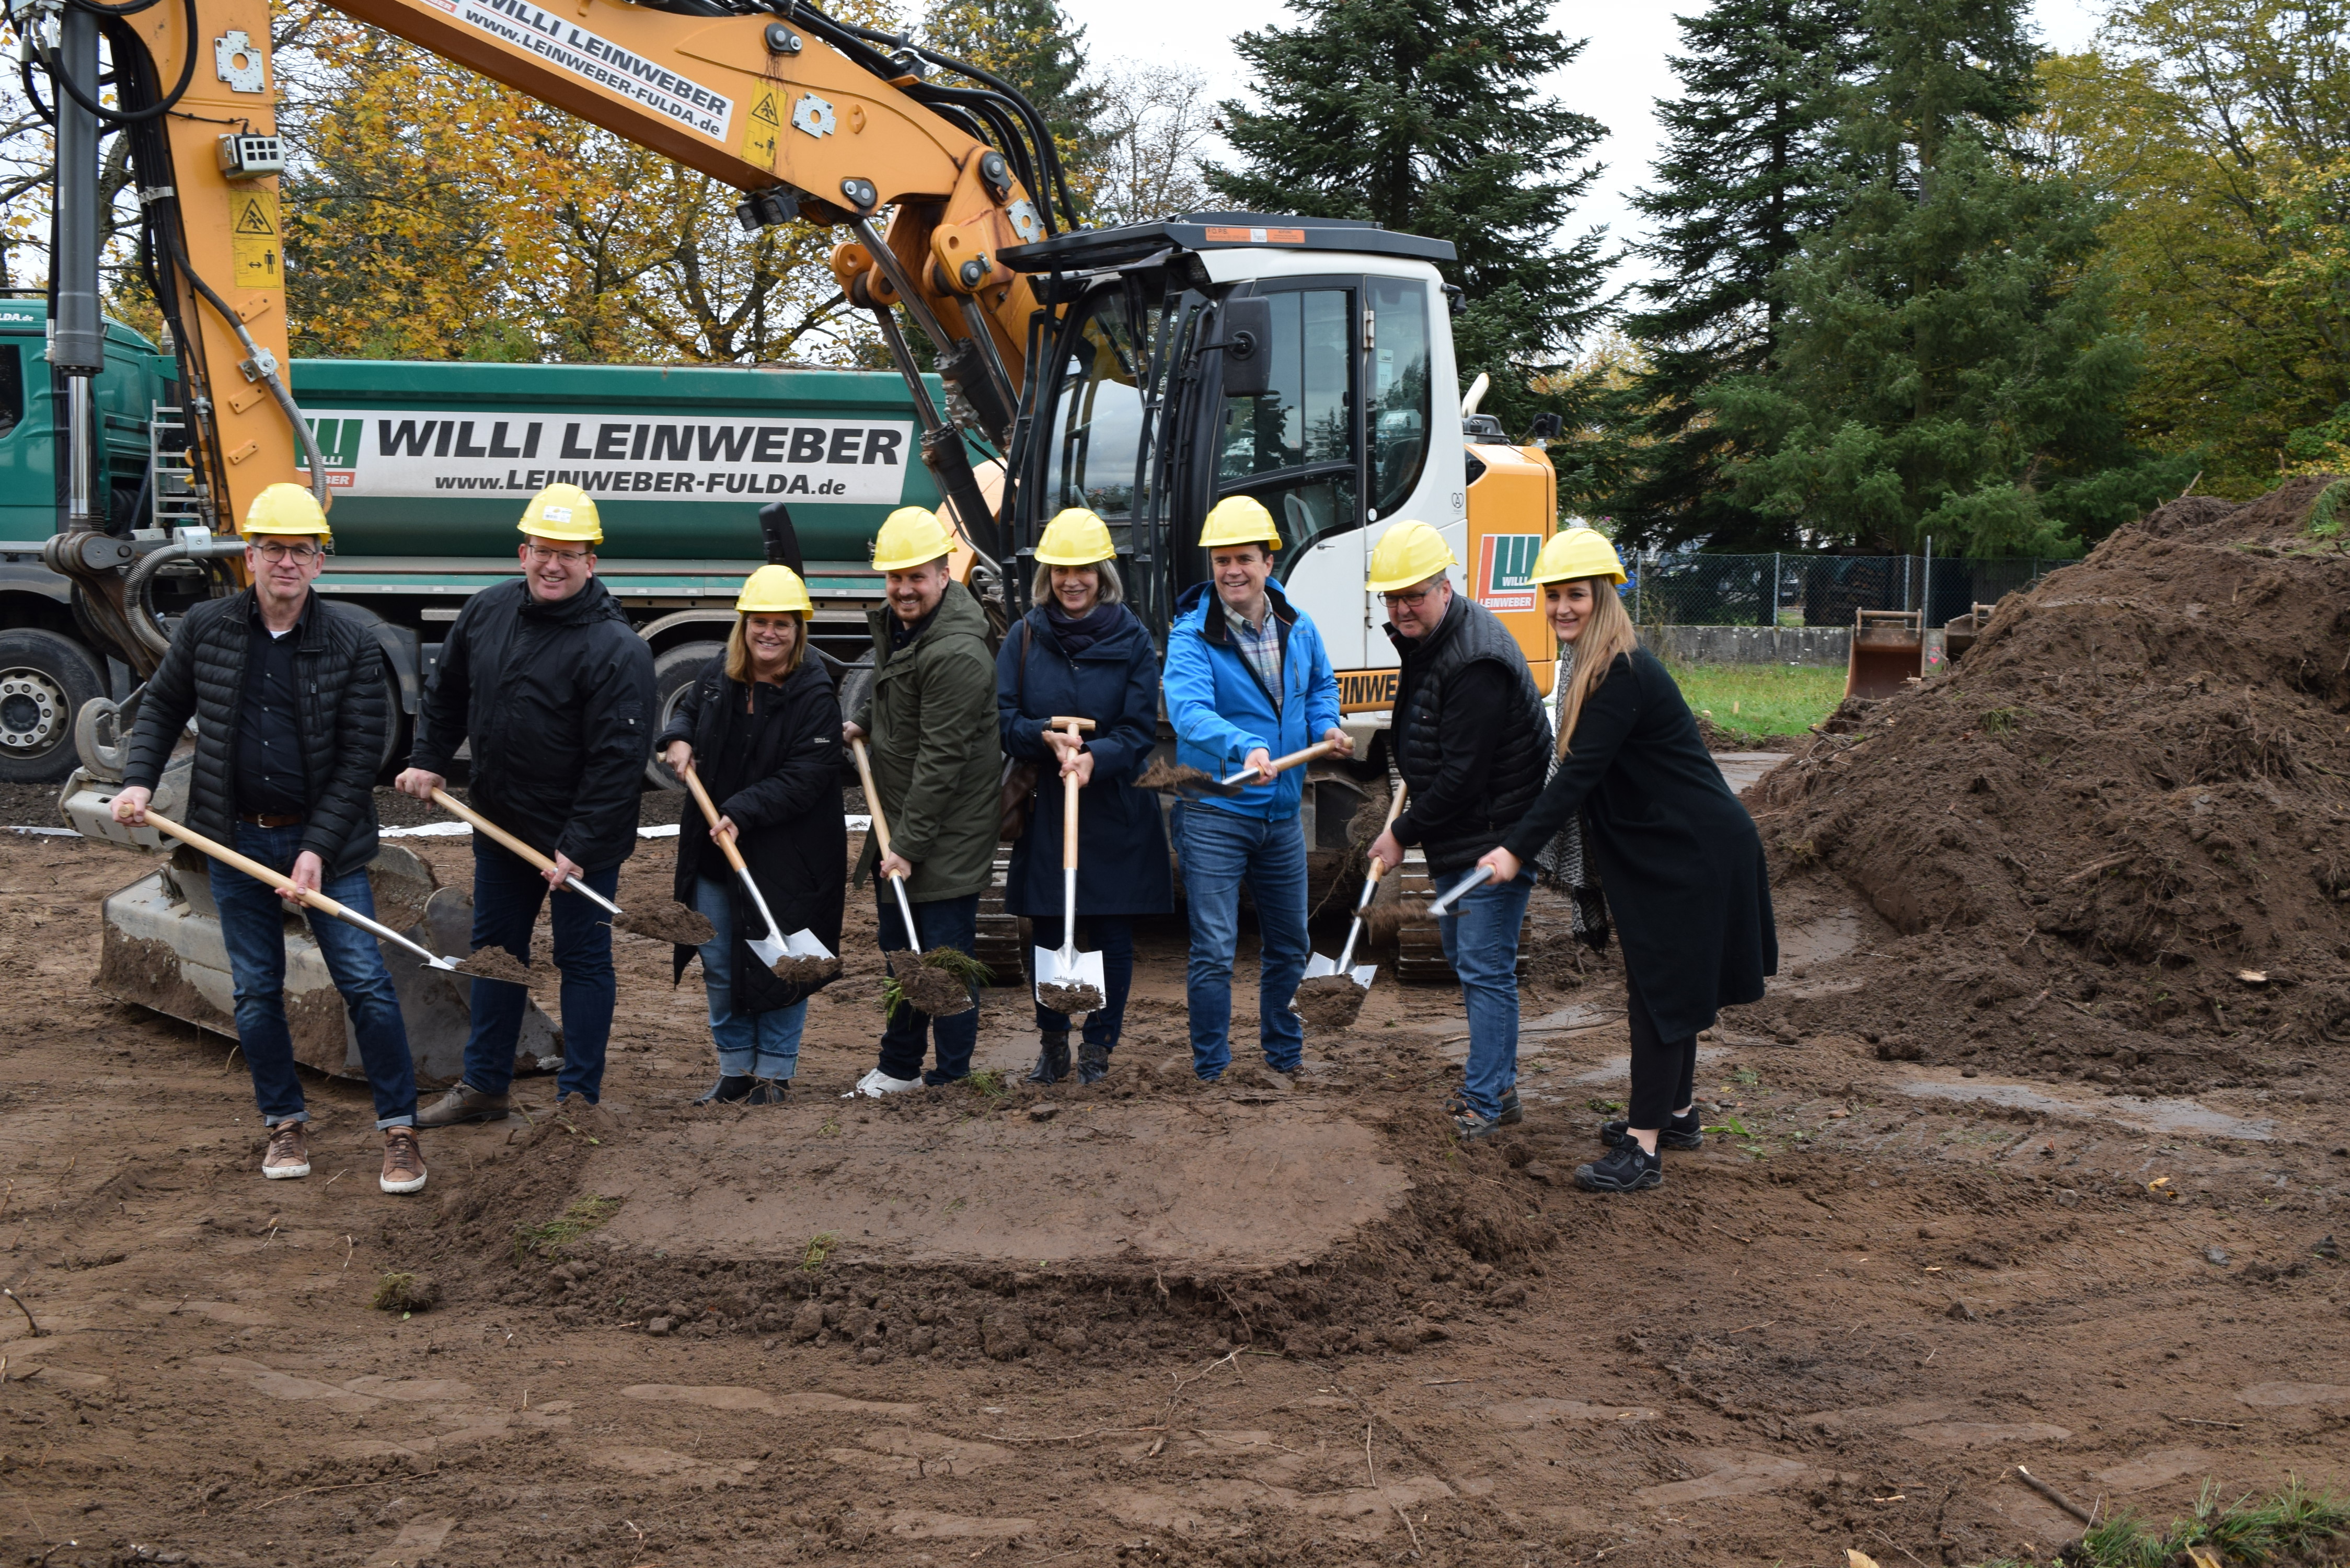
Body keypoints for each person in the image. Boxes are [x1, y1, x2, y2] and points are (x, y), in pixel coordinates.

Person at [111, 483, 426, 1194]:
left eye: (303, 550)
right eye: (275, 548)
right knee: (256, 992)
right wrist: (138, 779)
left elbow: (358, 760)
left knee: (368, 987)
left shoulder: (351, 640)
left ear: (321, 562)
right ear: (249, 557)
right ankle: (284, 1124)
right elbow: (163, 705)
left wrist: (316, 850)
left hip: (330, 851)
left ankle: (400, 1131)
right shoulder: (207, 627)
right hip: (236, 844)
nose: (288, 561)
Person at [1474, 529, 1777, 1193]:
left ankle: (1642, 1151)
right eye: (1553, 596)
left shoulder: (1619, 672)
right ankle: (1675, 1114)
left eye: (1575, 595)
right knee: (1665, 989)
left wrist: (1514, 848)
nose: (1562, 608)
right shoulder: (1594, 665)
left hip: (1691, 851)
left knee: (1660, 995)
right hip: (1674, 846)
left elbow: (1576, 778)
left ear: (1604, 596)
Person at [397, 483, 656, 1121]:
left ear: (591, 562)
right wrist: (429, 757)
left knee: (582, 959)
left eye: (569, 554)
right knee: (495, 955)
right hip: (500, 822)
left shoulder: (616, 648)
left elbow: (617, 762)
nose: (553, 565)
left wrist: (580, 847)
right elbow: (447, 691)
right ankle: (484, 1087)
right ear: (523, 552)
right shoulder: (486, 612)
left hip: (579, 839)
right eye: (543, 550)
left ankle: (578, 1099)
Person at [1362, 522, 1551, 1140]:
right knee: (1469, 959)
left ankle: (1483, 1102)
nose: (1399, 608)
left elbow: (1464, 776)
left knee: (1482, 966)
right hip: (1464, 830)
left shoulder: (1475, 661)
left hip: (1491, 836)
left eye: (1412, 595)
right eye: (1390, 598)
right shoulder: (1434, 638)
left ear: (1444, 586)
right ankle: (1498, 1087)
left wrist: (1401, 835)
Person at [1162, 495, 1352, 1082]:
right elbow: (1187, 712)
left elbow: (1320, 685)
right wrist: (1243, 746)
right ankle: (1212, 1068)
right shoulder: (1192, 636)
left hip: (1279, 814)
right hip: (1216, 811)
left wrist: (1325, 724)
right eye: (1221, 560)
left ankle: (1284, 1056)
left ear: (1269, 562)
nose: (1231, 571)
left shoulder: (1299, 625)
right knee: (1215, 949)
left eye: (1243, 558)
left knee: (1289, 945)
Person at [656, 564, 845, 1103]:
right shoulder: (721, 675)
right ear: (743, 625)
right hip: (716, 846)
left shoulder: (813, 693)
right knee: (719, 961)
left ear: (798, 630)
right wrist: (678, 737)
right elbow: (689, 711)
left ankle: (775, 1074)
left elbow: (805, 777)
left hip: (788, 854)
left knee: (782, 962)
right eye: (759, 622)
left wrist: (740, 809)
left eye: (781, 625)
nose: (769, 633)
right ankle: (736, 1070)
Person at [996, 507, 1172, 1085]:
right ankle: (1052, 1044)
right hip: (1049, 807)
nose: (1072, 581)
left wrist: (1097, 759)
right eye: (1060, 570)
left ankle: (1098, 1046)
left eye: (1084, 569)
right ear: (1047, 575)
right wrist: (1043, 737)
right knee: (1048, 931)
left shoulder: (1131, 639)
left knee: (1111, 934)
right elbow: (1004, 721)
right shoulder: (1024, 637)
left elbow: (1139, 730)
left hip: (1113, 808)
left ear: (1102, 573)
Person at [843, 506, 1002, 1096]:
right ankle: (900, 1067)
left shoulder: (956, 652)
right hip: (905, 819)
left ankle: (951, 1076)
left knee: (941, 957)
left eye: (916, 575)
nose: (904, 588)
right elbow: (895, 689)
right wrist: (861, 718)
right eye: (894, 576)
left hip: (944, 828)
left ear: (944, 573)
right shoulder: (904, 625)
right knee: (901, 954)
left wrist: (905, 846)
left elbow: (942, 760)